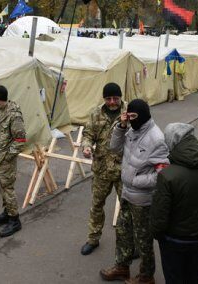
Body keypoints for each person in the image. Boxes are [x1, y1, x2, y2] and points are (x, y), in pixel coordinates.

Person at [101, 99, 169, 284]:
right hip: (126, 194)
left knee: (143, 239)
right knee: (123, 232)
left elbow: (163, 174)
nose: (130, 120)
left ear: (144, 116)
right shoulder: (131, 130)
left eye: (133, 117)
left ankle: (146, 277)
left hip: (143, 199)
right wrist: (121, 126)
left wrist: (136, 181)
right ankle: (122, 267)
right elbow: (114, 148)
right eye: (128, 116)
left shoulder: (156, 138)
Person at [151, 123, 198, 284]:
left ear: (172, 142)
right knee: (194, 277)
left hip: (174, 240)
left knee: (174, 278)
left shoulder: (167, 175)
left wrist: (159, 235)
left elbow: (160, 216)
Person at [80, 82, 126, 255]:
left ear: (121, 97)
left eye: (116, 98)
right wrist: (86, 146)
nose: (112, 102)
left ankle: (129, 243)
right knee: (97, 205)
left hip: (124, 170)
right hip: (102, 169)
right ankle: (93, 239)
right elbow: (88, 134)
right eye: (108, 99)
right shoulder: (95, 113)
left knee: (127, 209)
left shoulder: (129, 112)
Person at [0, 85, 27, 238]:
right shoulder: (0, 110)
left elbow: (21, 140)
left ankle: (15, 220)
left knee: (8, 189)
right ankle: (7, 212)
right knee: (2, 188)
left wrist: (7, 157)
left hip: (5, 159)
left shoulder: (14, 115)